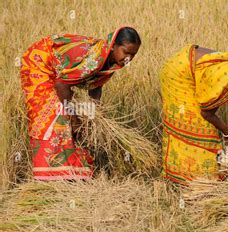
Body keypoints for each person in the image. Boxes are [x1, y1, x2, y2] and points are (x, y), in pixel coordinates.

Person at [20, 26, 141, 180]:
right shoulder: (94, 59)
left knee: (76, 120)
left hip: (57, 74)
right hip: (39, 63)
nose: (128, 58)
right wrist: (74, 118)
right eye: (126, 52)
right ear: (114, 46)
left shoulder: (110, 62)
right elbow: (61, 85)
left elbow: (95, 86)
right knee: (54, 115)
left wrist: (94, 115)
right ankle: (49, 175)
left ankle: (72, 173)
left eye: (133, 54)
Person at [159, 45, 228, 185]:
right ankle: (187, 179)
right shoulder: (224, 79)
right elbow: (206, 113)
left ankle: (202, 179)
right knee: (200, 128)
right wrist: (227, 131)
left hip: (196, 71)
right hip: (179, 72)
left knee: (206, 131)